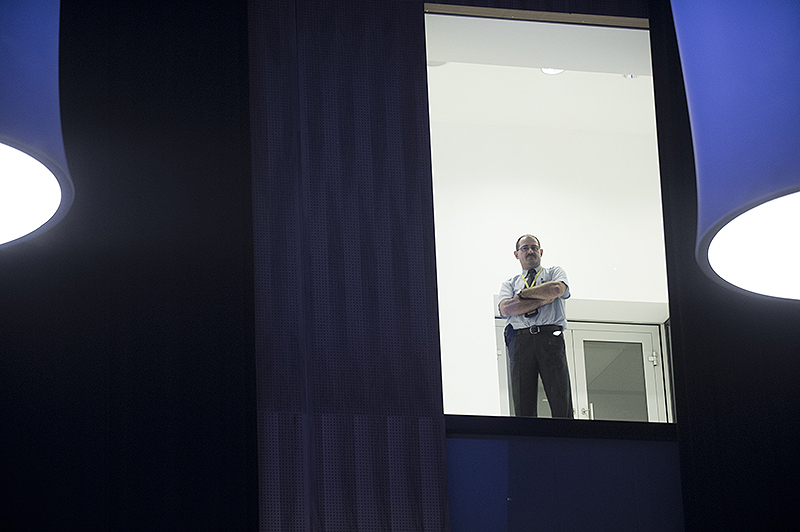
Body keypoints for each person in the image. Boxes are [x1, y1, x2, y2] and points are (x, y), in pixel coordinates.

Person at [498, 234, 573, 418]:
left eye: (534, 247)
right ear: (516, 254)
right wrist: (543, 299)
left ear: (541, 252)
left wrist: (521, 296)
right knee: (522, 403)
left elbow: (556, 289)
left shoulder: (554, 272)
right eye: (525, 248)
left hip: (550, 338)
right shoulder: (509, 284)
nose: (530, 251)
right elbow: (506, 309)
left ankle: (566, 436)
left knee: (560, 398)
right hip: (520, 341)